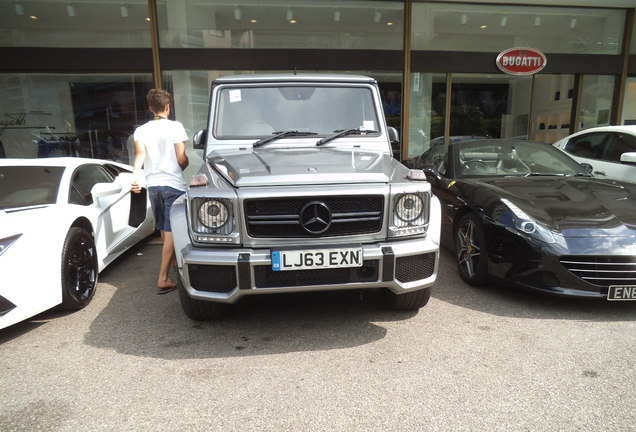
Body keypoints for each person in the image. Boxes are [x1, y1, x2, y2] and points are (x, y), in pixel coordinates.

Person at [131, 89, 189, 294]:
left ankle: (172, 265)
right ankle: (163, 278)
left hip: (153, 185)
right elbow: (181, 158)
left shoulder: (141, 130)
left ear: (149, 108)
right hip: (173, 185)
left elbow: (139, 155)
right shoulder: (175, 126)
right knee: (173, 232)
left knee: (164, 229)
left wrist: (136, 176)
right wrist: (184, 165)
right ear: (168, 107)